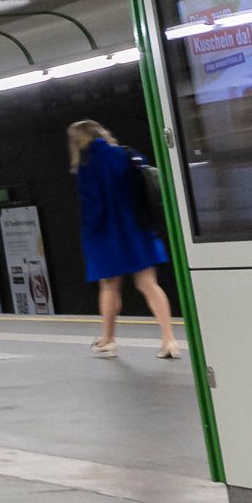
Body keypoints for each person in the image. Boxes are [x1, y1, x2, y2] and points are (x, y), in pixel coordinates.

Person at [70, 119, 180, 360]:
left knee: (109, 286)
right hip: (138, 229)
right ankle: (169, 338)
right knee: (149, 284)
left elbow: (92, 206)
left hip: (107, 235)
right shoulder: (128, 154)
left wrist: (89, 236)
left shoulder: (88, 164)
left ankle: (108, 340)